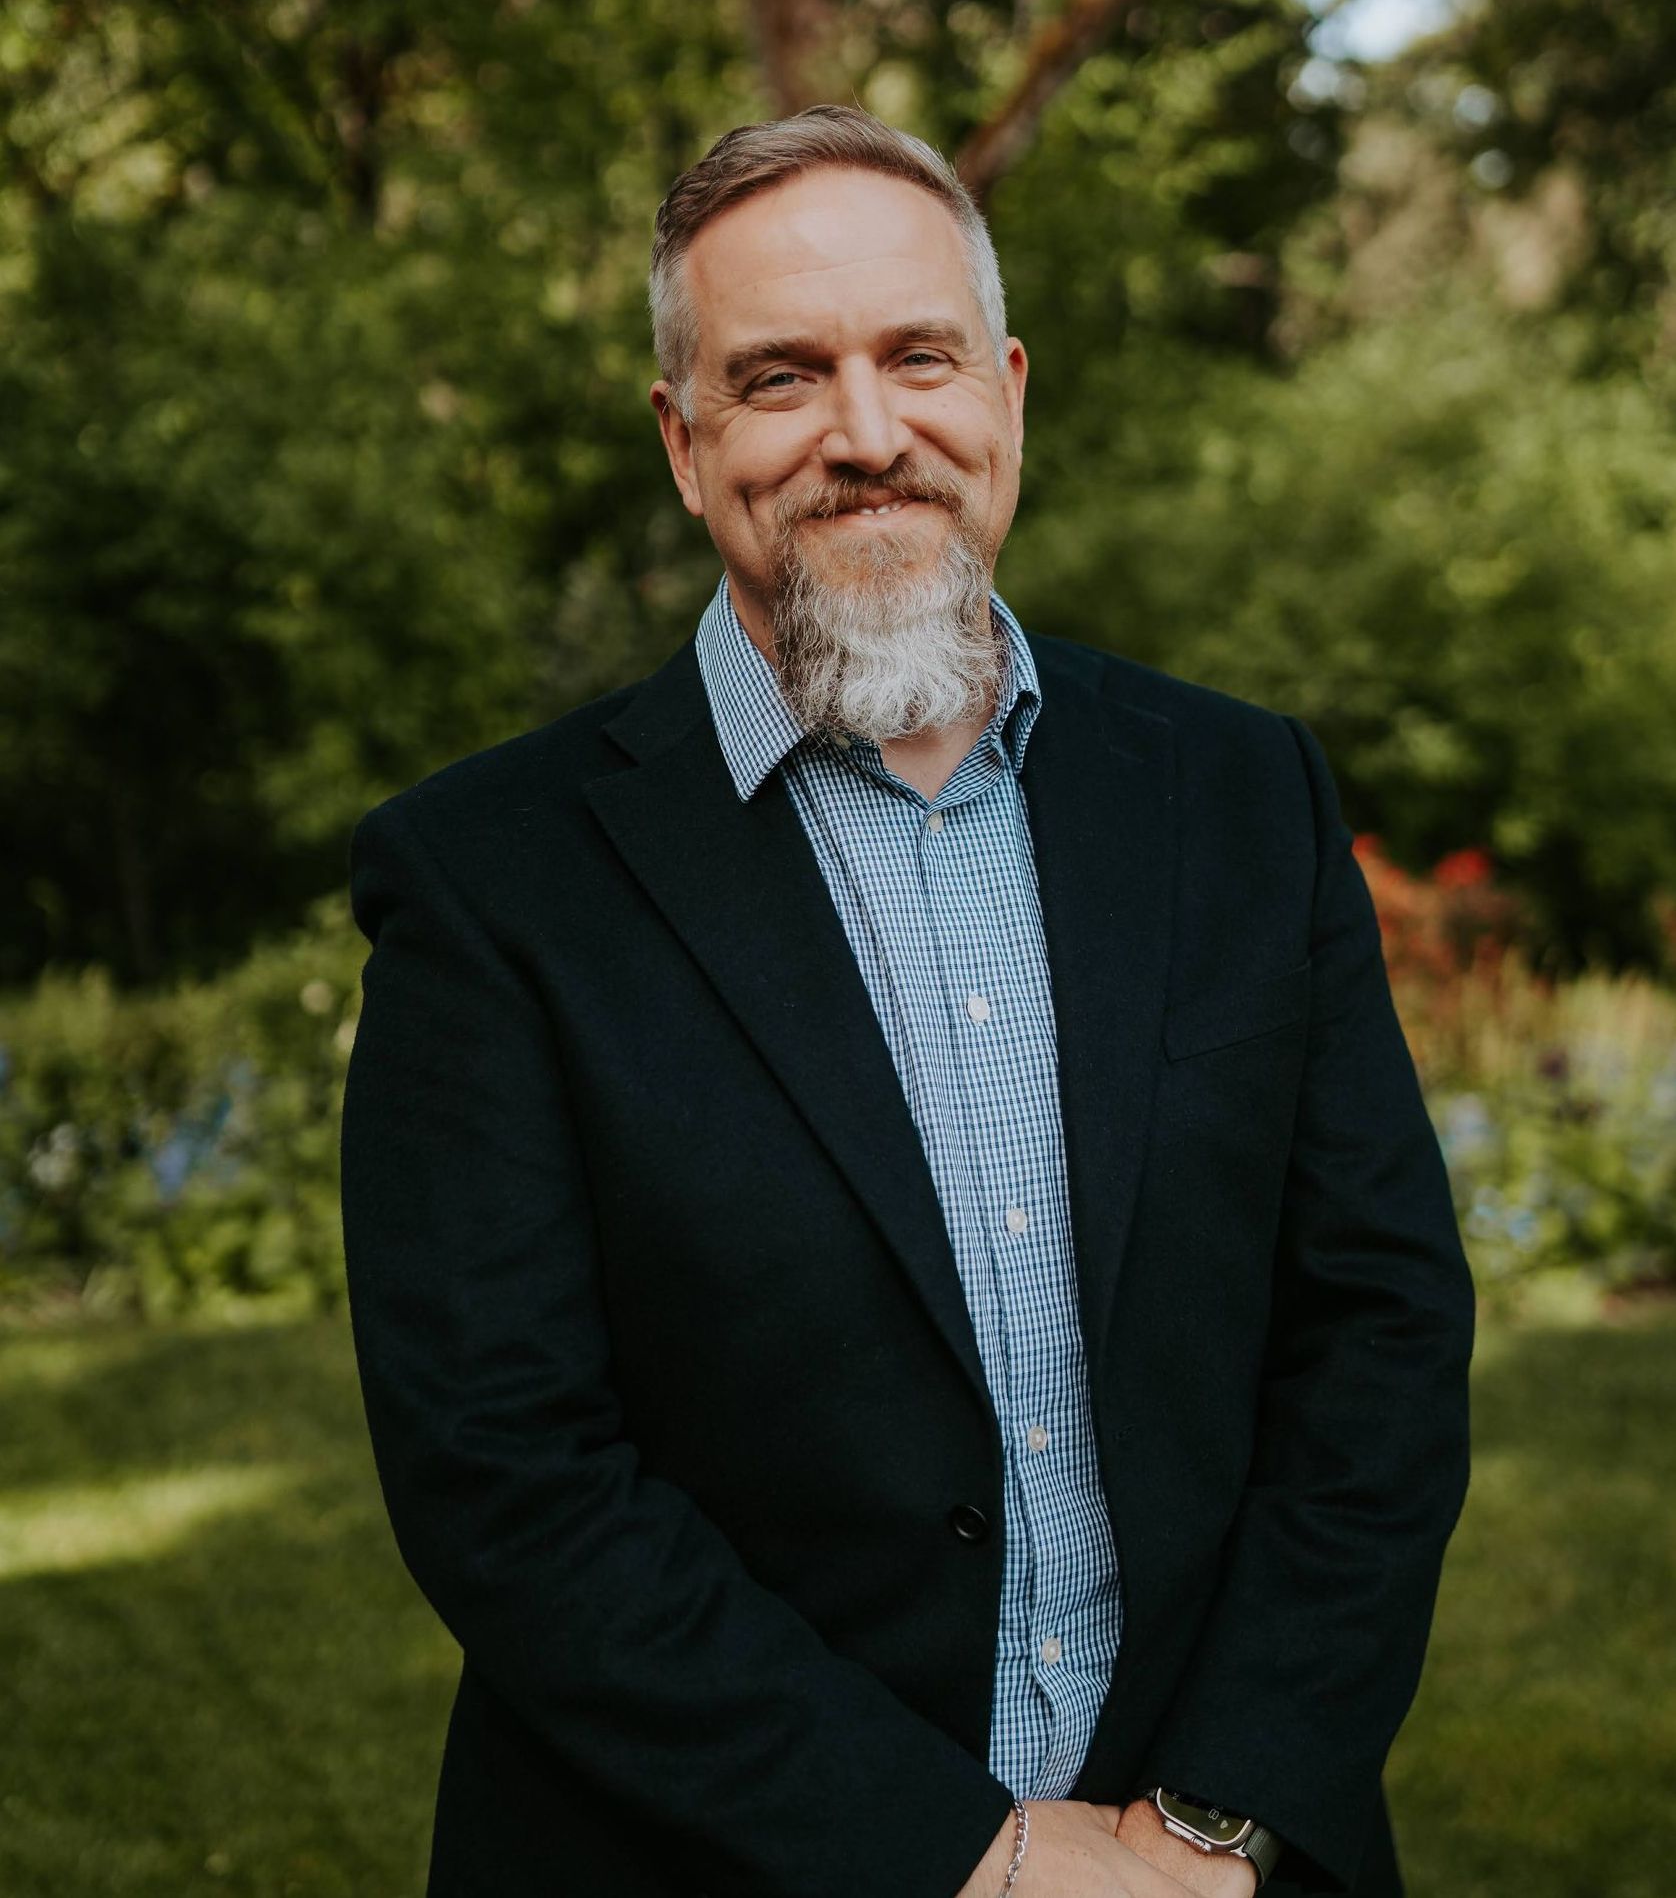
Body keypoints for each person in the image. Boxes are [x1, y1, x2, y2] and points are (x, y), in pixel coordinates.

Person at [339, 105, 1475, 1898]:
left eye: (918, 358)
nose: (868, 435)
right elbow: (507, 1475)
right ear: (684, 441)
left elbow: (1381, 1339)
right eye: (781, 377)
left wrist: (1212, 1821)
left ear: (1006, 396)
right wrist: (973, 1856)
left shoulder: (1242, 794)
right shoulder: (491, 881)